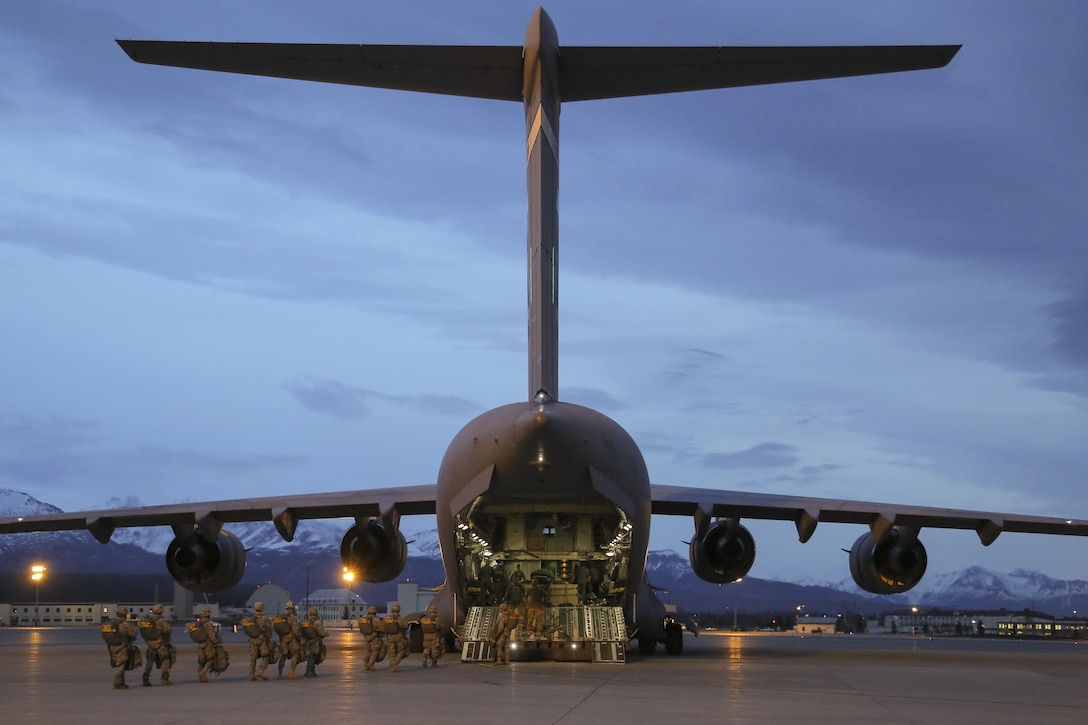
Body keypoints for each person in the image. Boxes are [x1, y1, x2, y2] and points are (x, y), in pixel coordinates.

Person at [102, 605, 140, 689]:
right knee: (121, 666)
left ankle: (122, 683)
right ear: (125, 614)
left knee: (119, 665)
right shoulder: (125, 624)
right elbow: (133, 634)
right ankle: (117, 683)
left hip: (112, 647)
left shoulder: (111, 624)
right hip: (123, 646)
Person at [139, 603, 174, 687]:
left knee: (149, 662)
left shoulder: (148, 621)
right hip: (160, 644)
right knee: (165, 660)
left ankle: (145, 678)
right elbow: (168, 630)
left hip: (150, 644)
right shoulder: (161, 621)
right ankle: (165, 679)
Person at [189, 607, 227, 683]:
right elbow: (211, 635)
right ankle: (203, 673)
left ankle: (200, 674)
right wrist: (216, 643)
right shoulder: (208, 624)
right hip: (208, 645)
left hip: (200, 645)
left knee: (202, 660)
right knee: (211, 660)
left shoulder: (198, 624)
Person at [243, 601, 274, 681]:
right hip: (262, 639)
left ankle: (251, 674)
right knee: (266, 656)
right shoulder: (264, 618)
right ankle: (261, 671)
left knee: (253, 658)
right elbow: (269, 628)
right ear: (262, 608)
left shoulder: (251, 619)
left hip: (253, 640)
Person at [274, 601, 303, 679]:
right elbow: (295, 630)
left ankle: (279, 673)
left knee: (283, 656)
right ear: (293, 608)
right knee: (296, 654)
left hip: (283, 639)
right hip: (291, 639)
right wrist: (299, 638)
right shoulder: (293, 617)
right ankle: (291, 672)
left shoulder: (281, 617)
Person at [382, 603, 409, 672]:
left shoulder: (386, 618)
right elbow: (405, 626)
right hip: (399, 637)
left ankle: (392, 663)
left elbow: (383, 627)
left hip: (390, 637)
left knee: (392, 652)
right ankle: (395, 663)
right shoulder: (400, 618)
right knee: (401, 651)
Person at [301, 607, 327, 678]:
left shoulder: (306, 622)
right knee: (314, 657)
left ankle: (310, 671)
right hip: (315, 642)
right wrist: (325, 634)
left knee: (310, 657)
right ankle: (310, 671)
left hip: (307, 642)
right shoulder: (317, 622)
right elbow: (321, 633)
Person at [356, 606, 384, 671]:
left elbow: (359, 626)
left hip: (365, 637)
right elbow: (382, 628)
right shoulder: (376, 620)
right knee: (375, 651)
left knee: (368, 651)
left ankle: (366, 663)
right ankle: (371, 664)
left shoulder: (363, 619)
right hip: (374, 638)